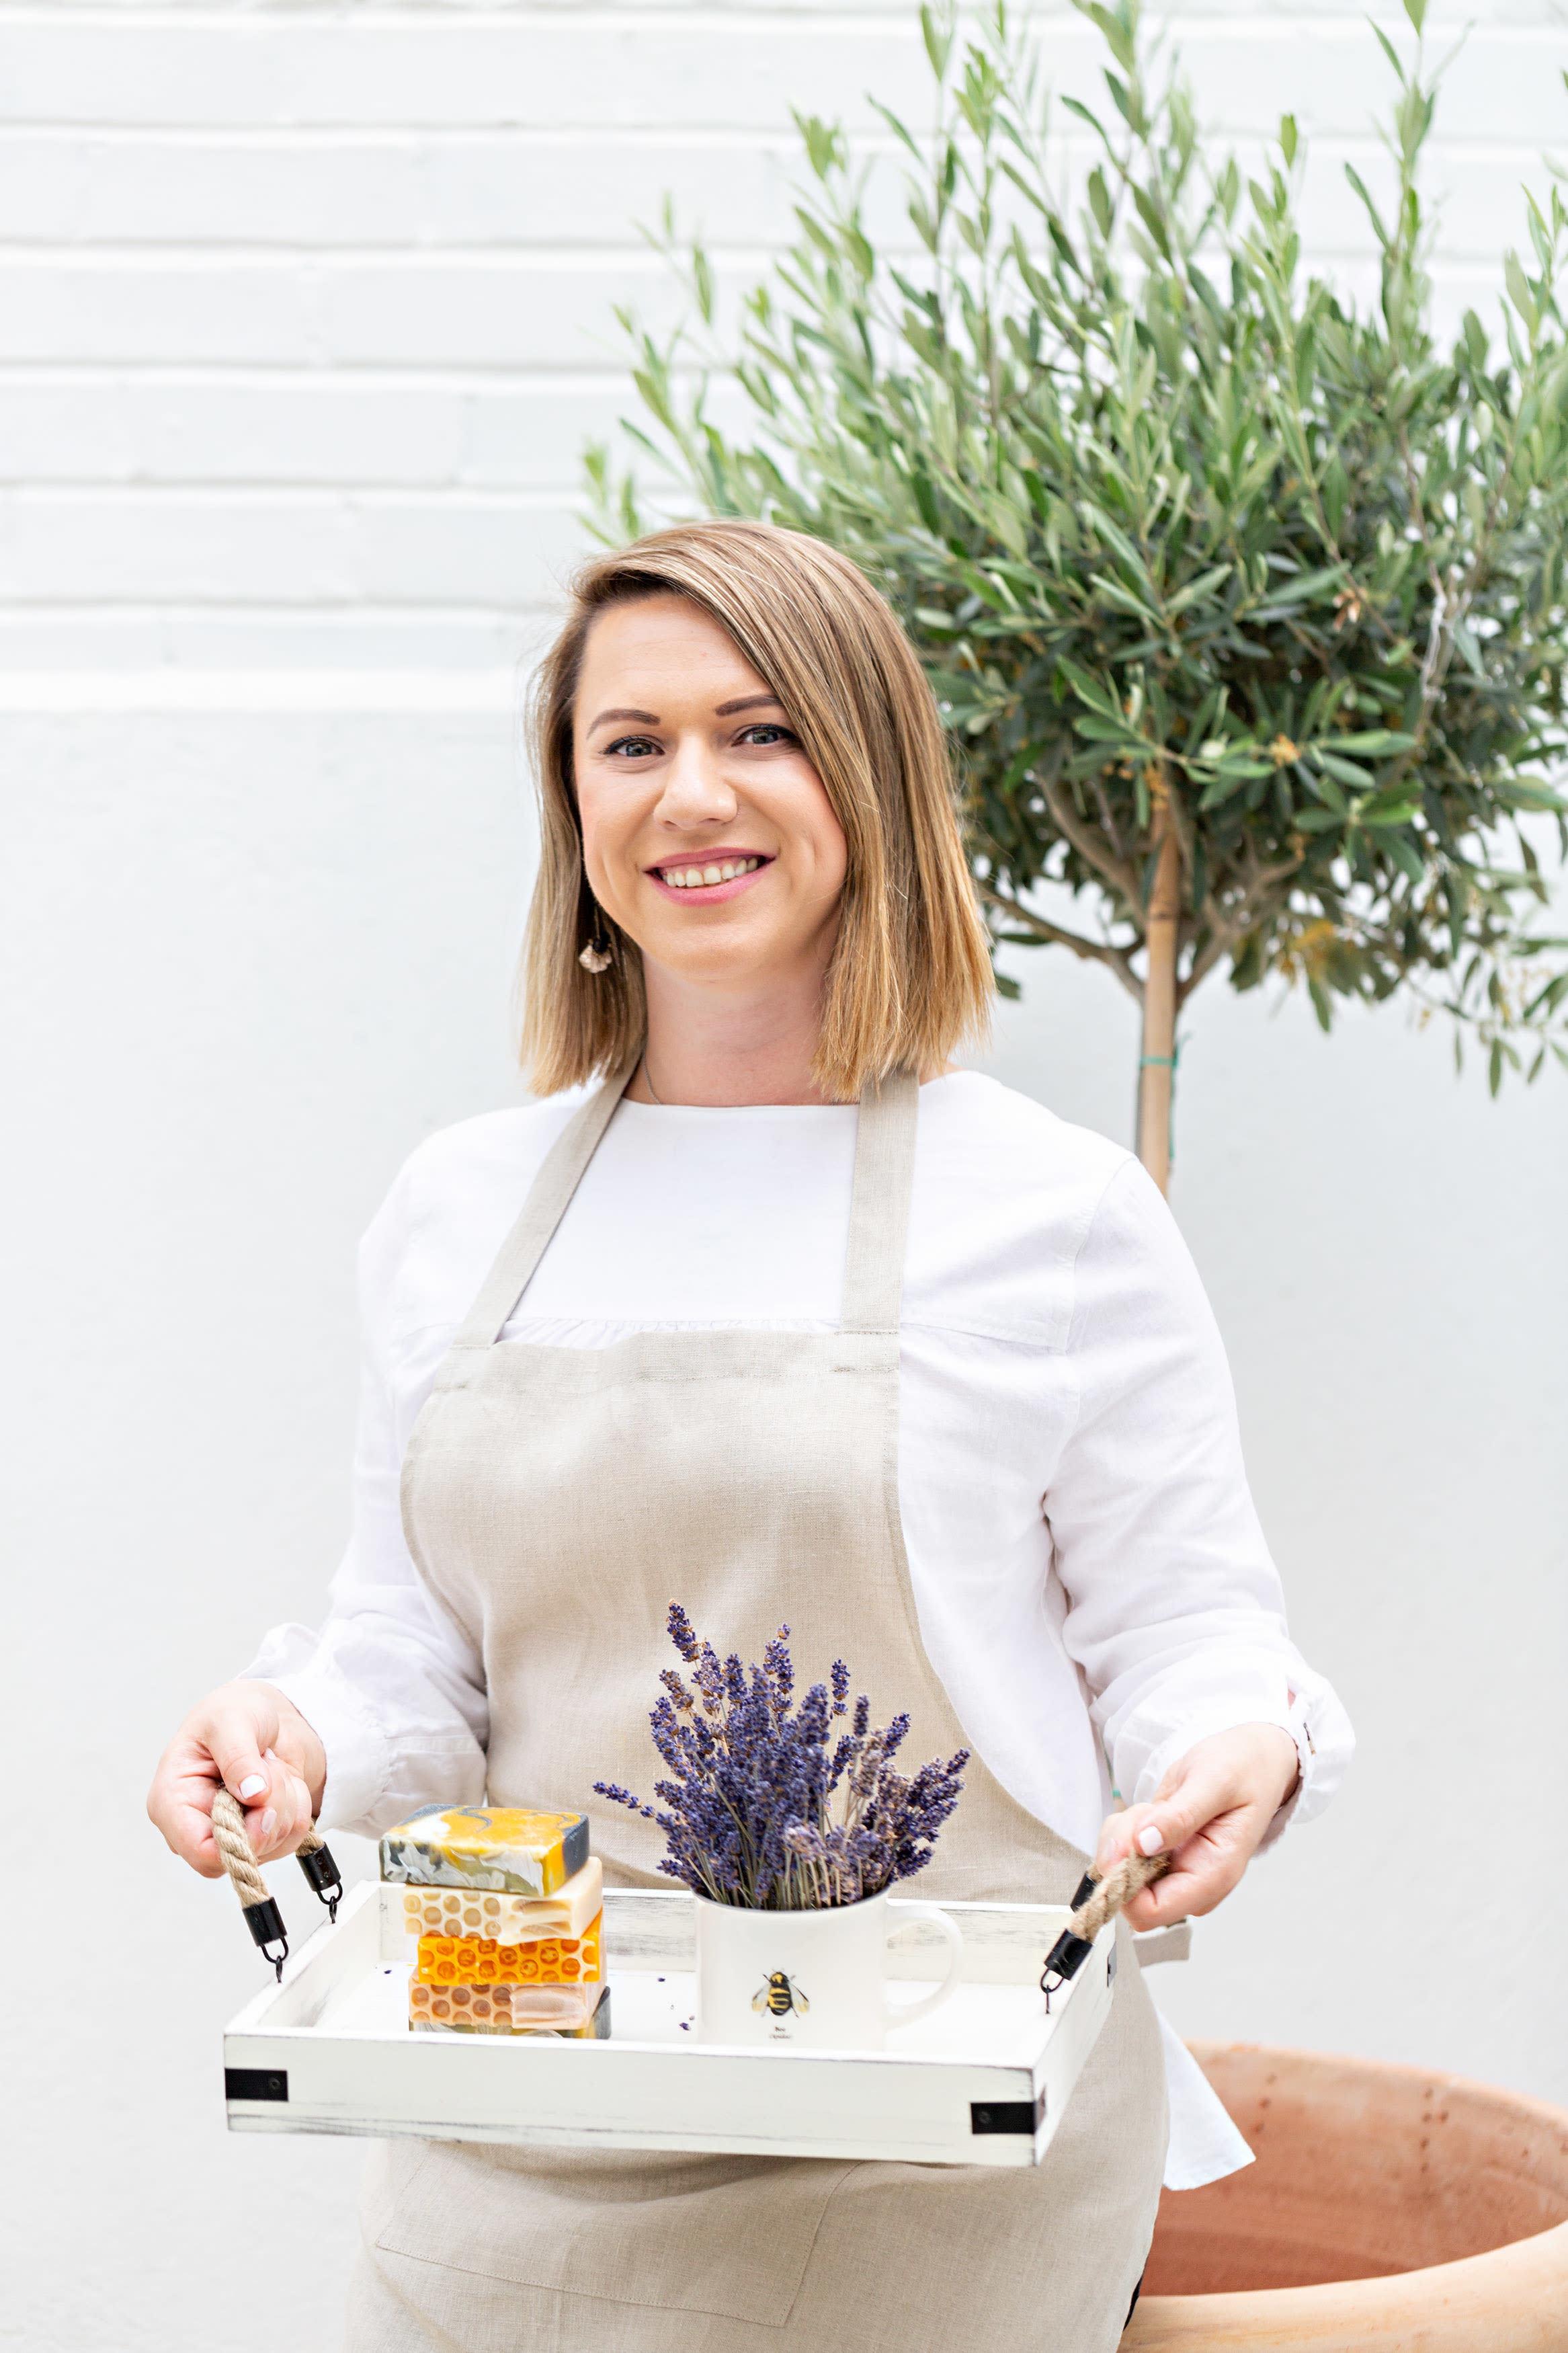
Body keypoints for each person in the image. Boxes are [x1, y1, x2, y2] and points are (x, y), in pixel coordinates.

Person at [148, 518, 1352, 2353]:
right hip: (523, 2104)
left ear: (866, 773)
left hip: (921, 2135)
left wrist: (1238, 1749)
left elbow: (1186, 1629)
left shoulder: (1055, 1213)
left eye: (761, 728)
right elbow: (414, 1647)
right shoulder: (455, 1207)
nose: (690, 790)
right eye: (630, 743)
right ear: (574, 809)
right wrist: (293, 1733)